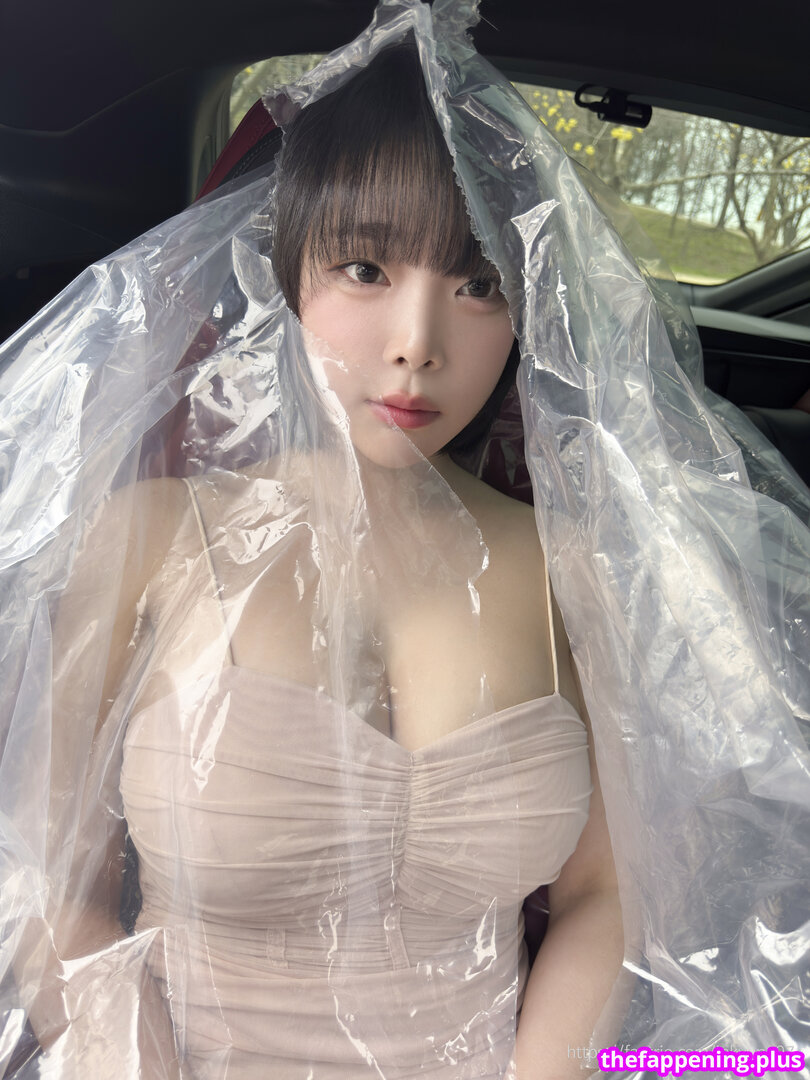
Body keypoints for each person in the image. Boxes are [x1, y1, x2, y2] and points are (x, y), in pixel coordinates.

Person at [1, 1, 808, 1078]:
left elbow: (602, 894)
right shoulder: (152, 541)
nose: (417, 346)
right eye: (366, 270)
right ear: (289, 271)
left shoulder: (571, 569)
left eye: (478, 285)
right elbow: (53, 889)